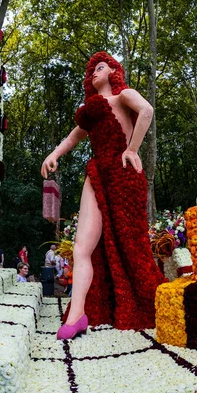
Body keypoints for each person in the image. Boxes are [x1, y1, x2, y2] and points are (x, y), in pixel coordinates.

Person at [41, 52, 167, 340]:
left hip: (123, 174)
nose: (93, 73)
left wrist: (132, 149)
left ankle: (144, 299)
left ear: (113, 71)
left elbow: (146, 111)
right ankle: (77, 316)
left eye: (99, 67)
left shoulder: (124, 96)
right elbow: (74, 136)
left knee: (131, 246)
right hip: (97, 175)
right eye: (91, 71)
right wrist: (54, 154)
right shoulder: (92, 110)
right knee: (81, 247)